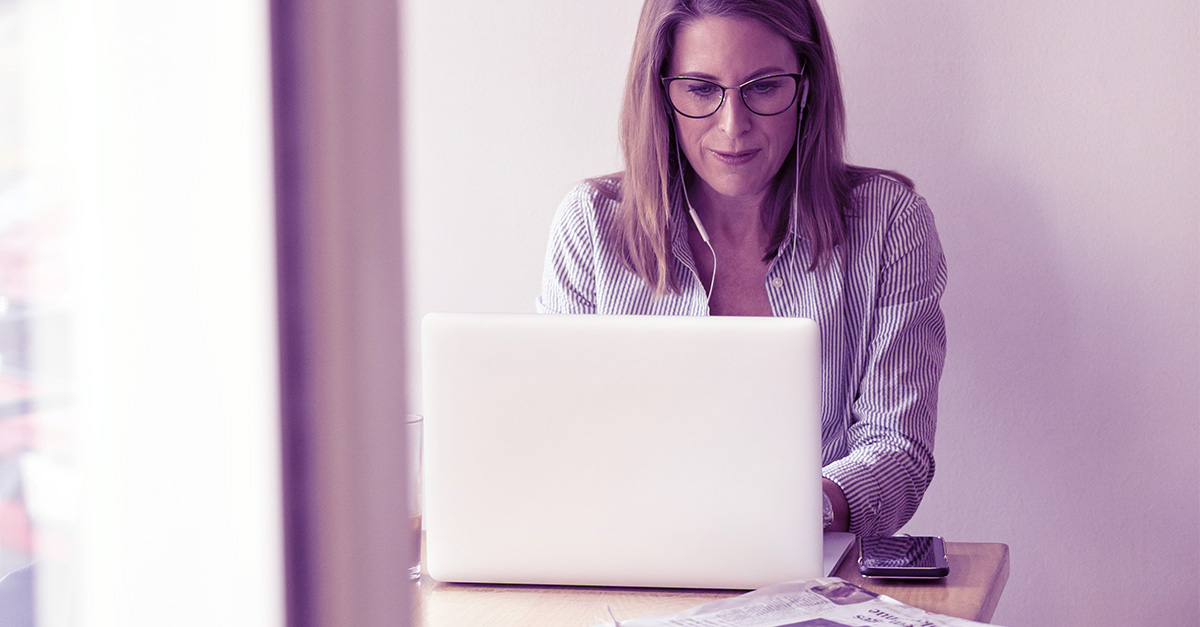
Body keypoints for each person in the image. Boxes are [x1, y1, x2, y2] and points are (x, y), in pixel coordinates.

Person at [536, 0, 946, 537]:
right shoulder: (590, 225)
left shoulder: (890, 223)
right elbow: (562, 442)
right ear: (661, 93)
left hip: (810, 577)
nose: (734, 127)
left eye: (764, 87)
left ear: (807, 88)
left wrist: (790, 514)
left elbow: (898, 451)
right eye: (701, 89)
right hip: (631, 567)